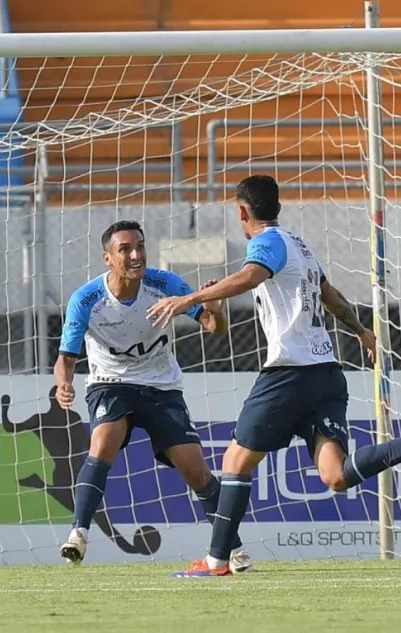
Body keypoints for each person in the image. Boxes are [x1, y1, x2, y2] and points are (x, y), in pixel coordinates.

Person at [146, 175, 401, 578]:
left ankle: (216, 562)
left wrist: (190, 299)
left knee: (234, 462)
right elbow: (330, 295)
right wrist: (362, 330)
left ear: (242, 212)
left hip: (290, 374)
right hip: (327, 374)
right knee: (335, 475)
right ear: (278, 207)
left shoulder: (264, 242)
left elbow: (250, 276)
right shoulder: (298, 244)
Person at [55, 220, 252, 572]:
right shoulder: (86, 299)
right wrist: (64, 383)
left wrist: (218, 313)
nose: (136, 255)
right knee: (103, 443)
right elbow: (66, 358)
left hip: (161, 386)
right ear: (107, 259)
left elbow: (213, 327)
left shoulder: (166, 285)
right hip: (110, 383)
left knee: (196, 470)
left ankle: (230, 548)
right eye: (125, 249)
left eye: (140, 246)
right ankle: (78, 534)